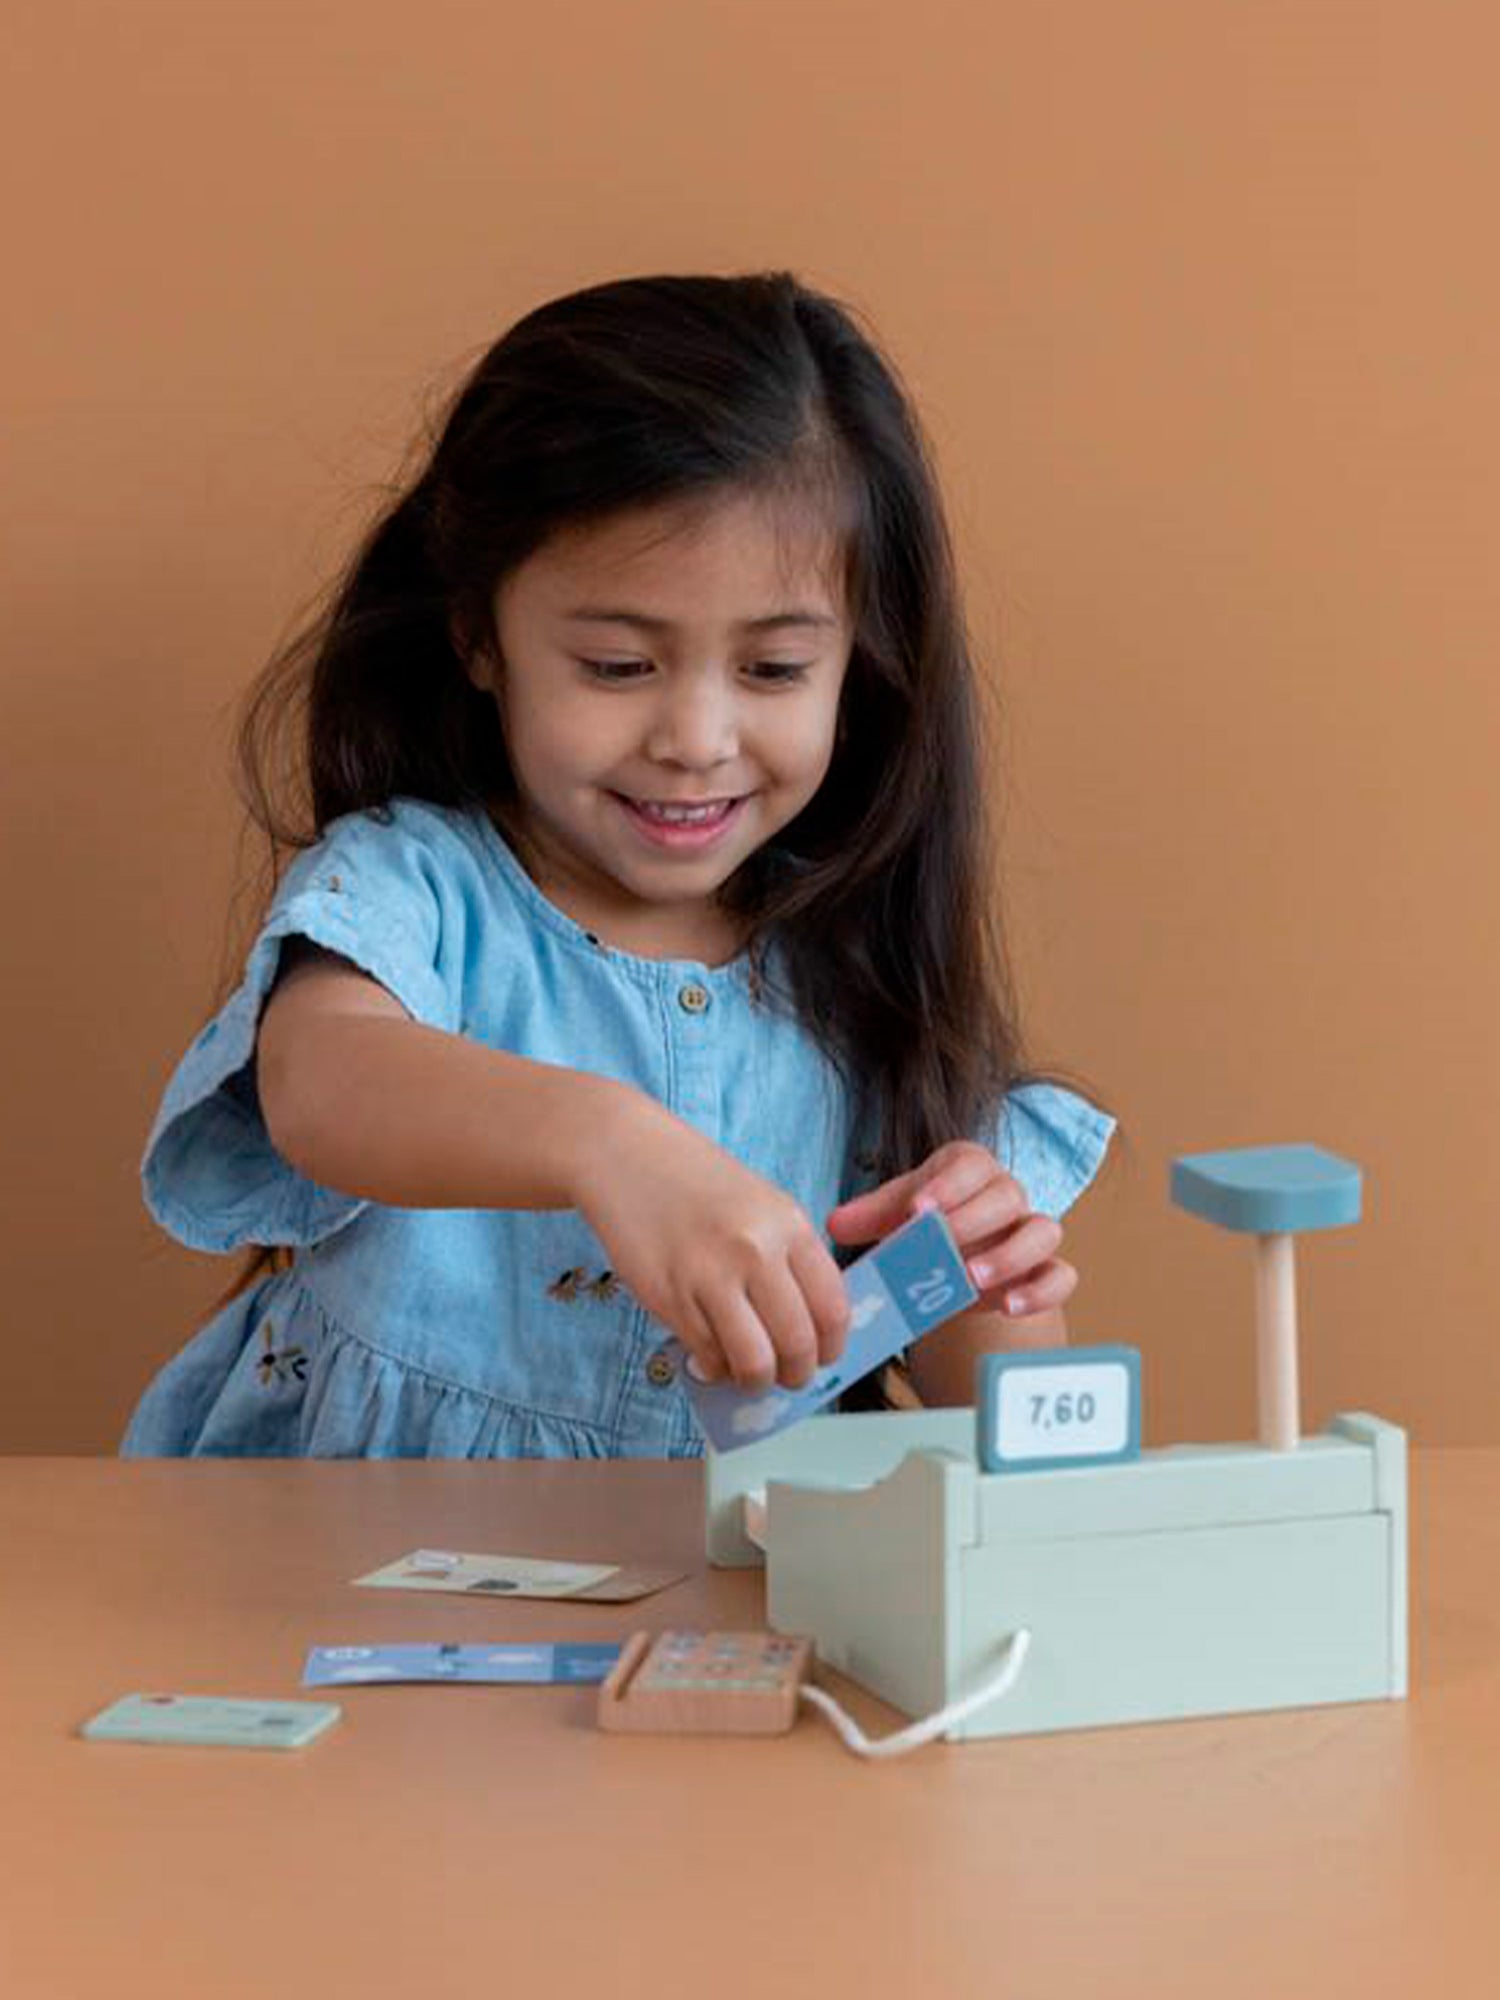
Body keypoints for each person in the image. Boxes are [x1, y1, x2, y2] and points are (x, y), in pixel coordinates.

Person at [123, 271, 1114, 1460]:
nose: (696, 739)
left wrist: (986, 1273)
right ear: (480, 635)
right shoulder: (417, 889)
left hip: (721, 1562)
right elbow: (319, 1079)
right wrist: (609, 1143)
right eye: (617, 666)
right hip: (353, 1543)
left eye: (774, 670)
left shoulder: (866, 982)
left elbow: (1014, 1450)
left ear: (860, 663)